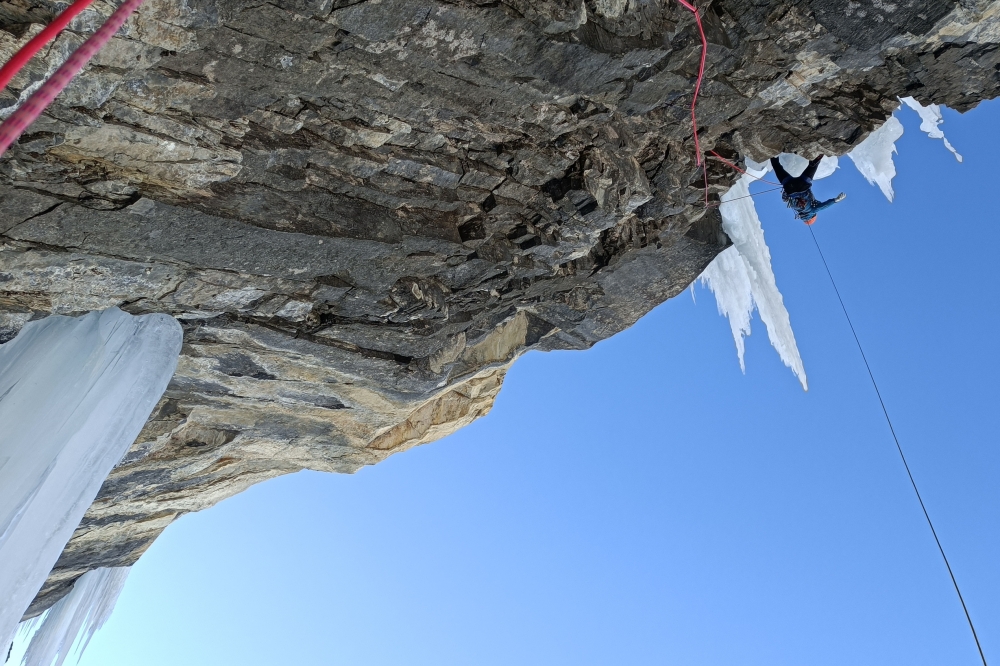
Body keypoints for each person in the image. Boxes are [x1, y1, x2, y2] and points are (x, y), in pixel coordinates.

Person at [770, 155, 846, 225]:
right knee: (776, 166)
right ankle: (772, 153)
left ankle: (816, 157)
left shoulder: (812, 211)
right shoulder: (796, 209)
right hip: (789, 186)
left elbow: (823, 206)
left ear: (813, 216)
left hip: (803, 185)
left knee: (812, 166)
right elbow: (785, 198)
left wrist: (835, 200)